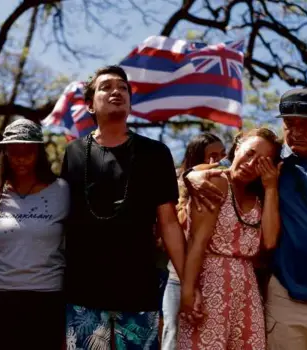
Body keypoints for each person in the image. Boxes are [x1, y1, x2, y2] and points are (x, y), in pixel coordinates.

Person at [184, 88, 307, 350]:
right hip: (289, 298)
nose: (297, 131)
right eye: (289, 123)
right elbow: (233, 174)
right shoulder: (274, 170)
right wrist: (192, 174)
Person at [60, 65, 187, 349]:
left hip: (138, 291)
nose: (116, 91)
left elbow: (168, 222)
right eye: (106, 87)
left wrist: (188, 281)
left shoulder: (155, 153)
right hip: (83, 293)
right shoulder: (73, 153)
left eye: (123, 87)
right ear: (90, 104)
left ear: (130, 102)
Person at [178, 128, 282, 350]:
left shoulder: (260, 197)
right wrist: (188, 289)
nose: (251, 163)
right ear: (237, 147)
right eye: (250, 152)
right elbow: (197, 241)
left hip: (247, 288)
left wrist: (271, 187)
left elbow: (270, 241)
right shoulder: (215, 182)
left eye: (262, 161)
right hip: (210, 282)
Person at [0, 119, 69, 350]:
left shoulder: (63, 190)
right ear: (5, 152)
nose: (21, 157)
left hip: (47, 298)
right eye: (14, 150)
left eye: (28, 150)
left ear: (40, 151)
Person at [161, 133, 225, 350]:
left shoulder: (225, 187)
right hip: (177, 277)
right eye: (211, 156)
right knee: (173, 335)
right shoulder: (178, 186)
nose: (216, 162)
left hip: (214, 278)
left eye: (222, 155)